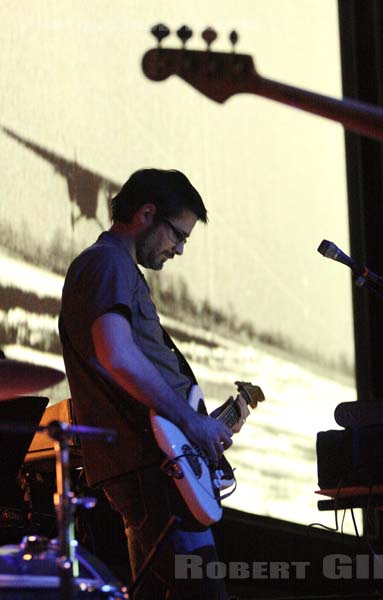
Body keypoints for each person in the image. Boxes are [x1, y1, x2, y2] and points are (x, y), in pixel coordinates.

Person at [59, 168, 249, 599]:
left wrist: (198, 421)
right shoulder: (106, 263)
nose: (180, 249)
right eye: (178, 235)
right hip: (149, 467)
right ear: (147, 214)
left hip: (153, 463)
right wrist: (193, 423)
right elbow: (117, 354)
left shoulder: (117, 269)